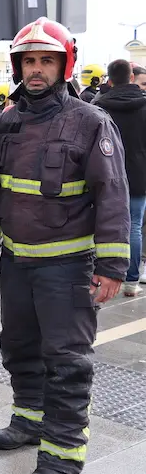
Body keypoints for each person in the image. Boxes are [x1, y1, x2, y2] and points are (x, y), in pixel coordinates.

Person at [0, 17, 131, 474]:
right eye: (29, 60)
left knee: (66, 360)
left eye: (46, 60)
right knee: (19, 346)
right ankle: (28, 420)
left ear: (64, 66)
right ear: (18, 66)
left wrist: (111, 267)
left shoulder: (91, 121)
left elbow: (113, 195)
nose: (37, 69)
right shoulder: (7, 120)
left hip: (68, 266)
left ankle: (62, 454)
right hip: (18, 262)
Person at [94, 60, 146, 297]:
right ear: (132, 78)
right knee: (134, 226)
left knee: (101, 224)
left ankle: (99, 274)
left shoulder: (98, 106)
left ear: (110, 80)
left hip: (106, 174)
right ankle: (131, 282)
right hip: (138, 175)